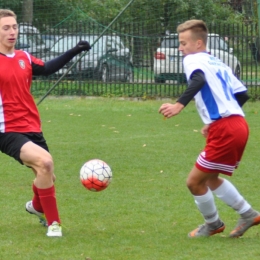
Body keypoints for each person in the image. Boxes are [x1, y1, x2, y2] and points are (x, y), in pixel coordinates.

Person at [159, 19, 260, 238]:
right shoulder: (217, 62)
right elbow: (242, 93)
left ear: (198, 43)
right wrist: (214, 121)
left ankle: (213, 224)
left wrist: (178, 105)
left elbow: (199, 80)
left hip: (226, 128)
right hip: (237, 125)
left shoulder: (193, 60)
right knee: (211, 178)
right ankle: (248, 214)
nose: (180, 48)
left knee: (194, 182)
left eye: (183, 43)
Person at [0, 9, 91, 237]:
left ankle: (36, 206)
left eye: (14, 27)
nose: (12, 32)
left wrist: (75, 50)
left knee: (47, 175)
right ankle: (54, 224)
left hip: (32, 127)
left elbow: (48, 68)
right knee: (45, 163)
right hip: (7, 130)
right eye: (6, 28)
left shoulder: (24, 57)